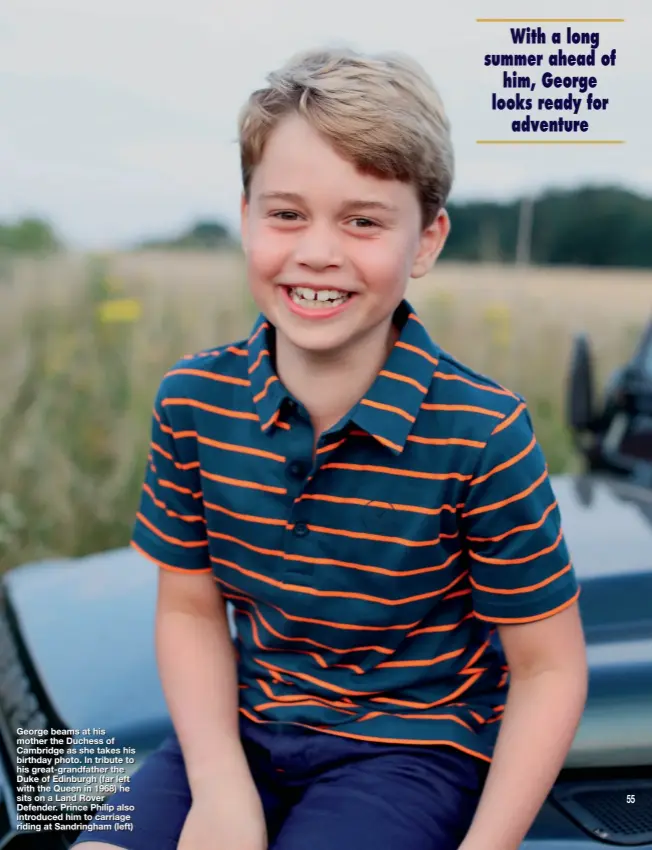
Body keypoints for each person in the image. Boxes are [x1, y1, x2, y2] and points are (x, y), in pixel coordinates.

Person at [74, 45, 588, 850]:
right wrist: (219, 792)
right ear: (245, 217)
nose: (318, 251)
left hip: (407, 752)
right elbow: (188, 606)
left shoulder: (481, 432)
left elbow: (550, 670)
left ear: (425, 240)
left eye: (363, 220)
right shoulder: (192, 400)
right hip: (239, 730)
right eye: (287, 213)